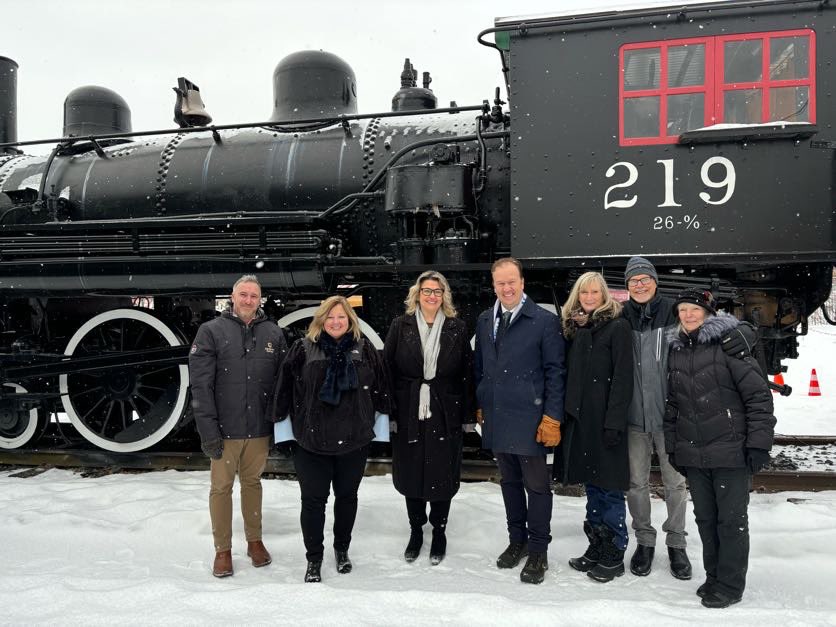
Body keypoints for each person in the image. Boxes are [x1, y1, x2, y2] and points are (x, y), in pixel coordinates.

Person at [622, 256, 755, 580]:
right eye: (633, 280)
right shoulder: (619, 317)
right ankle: (645, 541)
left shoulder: (673, 311)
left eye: (645, 279)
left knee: (676, 484)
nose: (640, 285)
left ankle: (677, 544)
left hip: (672, 417)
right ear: (626, 287)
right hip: (633, 418)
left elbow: (716, 326)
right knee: (635, 485)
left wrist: (745, 333)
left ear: (655, 281)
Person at [664, 288, 775, 608]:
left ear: (708, 313)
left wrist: (758, 443)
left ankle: (730, 585)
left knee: (731, 520)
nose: (688, 315)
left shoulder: (728, 345)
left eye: (694, 309)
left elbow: (758, 397)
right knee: (706, 519)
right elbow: (674, 405)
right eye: (682, 310)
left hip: (730, 450)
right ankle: (714, 577)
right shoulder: (678, 350)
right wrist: (674, 447)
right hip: (695, 453)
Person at [272, 295, 389, 583]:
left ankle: (342, 550)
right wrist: (284, 433)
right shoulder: (302, 349)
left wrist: (380, 433)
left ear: (350, 320)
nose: (336, 322)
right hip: (311, 441)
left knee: (347, 498)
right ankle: (314, 558)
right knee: (313, 502)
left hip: (354, 440)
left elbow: (381, 391)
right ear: (321, 320)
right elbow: (284, 390)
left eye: (342, 317)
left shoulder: (365, 349)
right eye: (331, 317)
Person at [474, 257, 566, 585]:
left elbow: (556, 372)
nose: (507, 288)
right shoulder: (486, 320)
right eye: (500, 283)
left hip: (531, 417)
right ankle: (518, 541)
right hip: (498, 416)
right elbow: (482, 366)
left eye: (512, 281)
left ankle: (539, 550)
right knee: (509, 483)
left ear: (522, 282)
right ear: (493, 285)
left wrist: (552, 416)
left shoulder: (543, 320)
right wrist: (482, 401)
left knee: (538, 487)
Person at [189, 274, 287, 578]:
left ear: (261, 300)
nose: (248, 300)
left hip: (257, 427)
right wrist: (208, 430)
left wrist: (277, 426)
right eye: (243, 294)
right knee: (221, 488)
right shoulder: (211, 332)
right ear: (233, 297)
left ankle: (254, 541)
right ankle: (223, 549)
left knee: (253, 484)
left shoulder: (273, 333)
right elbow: (201, 386)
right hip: (224, 428)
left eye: (254, 296)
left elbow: (282, 384)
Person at [383, 271, 475, 565]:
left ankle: (439, 530)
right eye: (427, 291)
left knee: (442, 472)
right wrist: (391, 412)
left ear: (444, 296)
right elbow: (387, 371)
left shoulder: (457, 328)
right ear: (417, 294)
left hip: (445, 409)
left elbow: (467, 374)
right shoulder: (401, 326)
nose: (432, 296)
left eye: (437, 291)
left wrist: (467, 414)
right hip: (409, 407)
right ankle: (415, 530)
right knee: (411, 470)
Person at [556, 272, 633, 583]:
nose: (588, 297)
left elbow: (623, 380)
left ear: (604, 296)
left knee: (610, 489)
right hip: (582, 423)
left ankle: (614, 554)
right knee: (592, 487)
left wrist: (614, 423)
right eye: (583, 292)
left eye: (594, 292)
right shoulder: (575, 329)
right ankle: (596, 547)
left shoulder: (618, 328)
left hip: (605, 423)